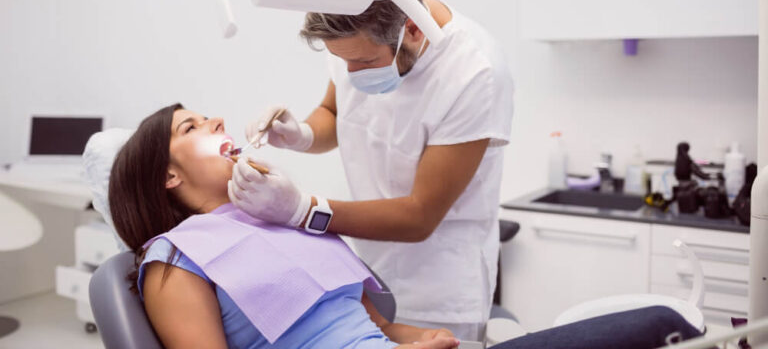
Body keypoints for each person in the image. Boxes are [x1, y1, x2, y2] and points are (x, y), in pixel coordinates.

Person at [108, 103, 703, 349]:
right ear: (165, 177)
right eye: (190, 128)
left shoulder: (276, 221)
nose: (213, 119)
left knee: (659, 324)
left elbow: (374, 325)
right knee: (654, 328)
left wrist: (420, 338)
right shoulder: (174, 259)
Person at [229, 0, 514, 339]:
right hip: (369, 270)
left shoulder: (473, 74)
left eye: (363, 62)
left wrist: (302, 210)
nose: (351, 74)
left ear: (413, 29)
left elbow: (419, 216)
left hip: (441, 285)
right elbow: (334, 111)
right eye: (341, 61)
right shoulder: (357, 25)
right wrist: (302, 134)